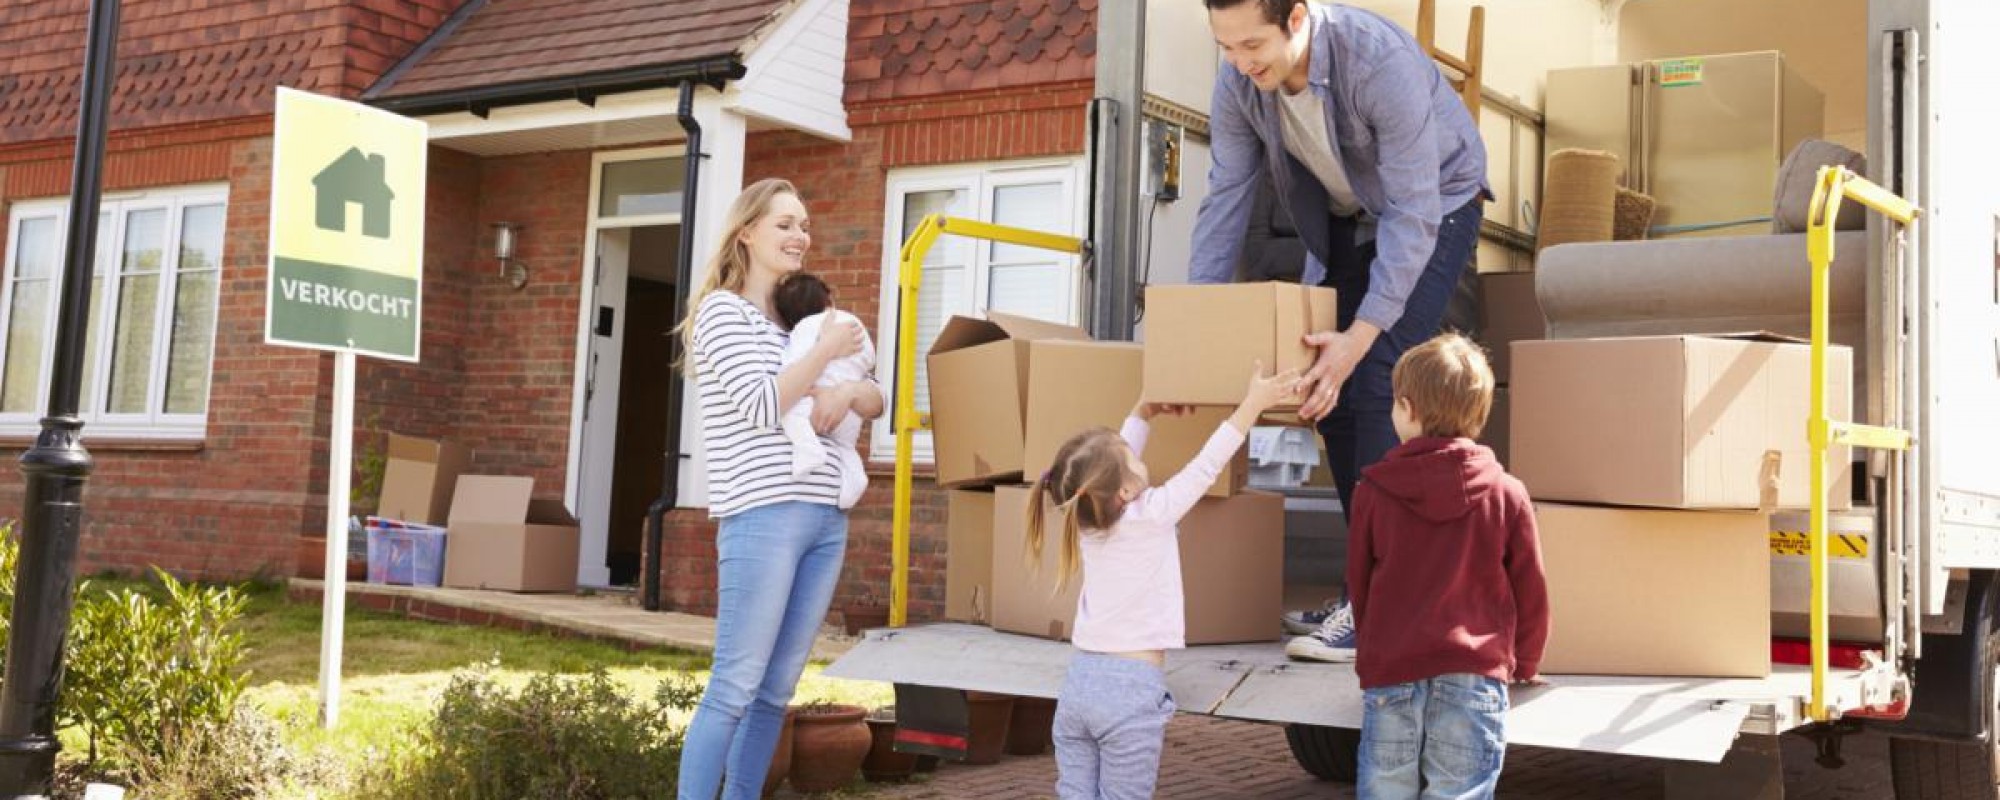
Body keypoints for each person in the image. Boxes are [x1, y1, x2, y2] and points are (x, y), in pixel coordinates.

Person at [1192, 0, 1491, 654]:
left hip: (1437, 206)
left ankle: (1386, 596)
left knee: (1375, 375)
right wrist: (1194, 328)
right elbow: (1226, 198)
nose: (1241, 64)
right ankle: (1368, 585)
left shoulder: (1376, 62)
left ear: (1296, 19)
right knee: (1323, 396)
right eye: (1226, 48)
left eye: (1252, 45)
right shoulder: (1239, 83)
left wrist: (1358, 339)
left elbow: (1412, 216)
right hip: (1347, 218)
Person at [675, 179, 884, 799]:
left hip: (825, 517)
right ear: (746, 233)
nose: (800, 236)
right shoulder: (722, 312)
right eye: (784, 224)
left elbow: (876, 394)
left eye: (804, 224)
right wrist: (823, 355)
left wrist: (847, 390)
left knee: (776, 689)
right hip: (763, 513)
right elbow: (767, 402)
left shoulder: (801, 316)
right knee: (735, 684)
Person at [1030, 364, 1302, 800]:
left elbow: (1105, 470)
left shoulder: (1083, 522)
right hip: (1129, 690)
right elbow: (1206, 466)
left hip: (1079, 685)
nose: (1142, 459)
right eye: (1133, 458)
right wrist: (1252, 405)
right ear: (1122, 491)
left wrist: (1142, 412)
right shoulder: (1152, 515)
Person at [1321, 333, 1548, 799]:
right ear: (1479, 414)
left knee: (1385, 789)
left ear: (1407, 407)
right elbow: (1531, 589)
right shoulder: (1507, 493)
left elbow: (1360, 584)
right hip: (1474, 672)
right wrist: (1525, 660)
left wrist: (1371, 651)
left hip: (1393, 670)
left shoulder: (1372, 491)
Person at [772, 272, 876, 510]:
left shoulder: (804, 328)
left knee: (788, 413)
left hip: (815, 407)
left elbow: (794, 364)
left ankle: (808, 450)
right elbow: (869, 359)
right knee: (846, 447)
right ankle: (855, 479)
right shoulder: (853, 322)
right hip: (850, 414)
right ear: (828, 301)